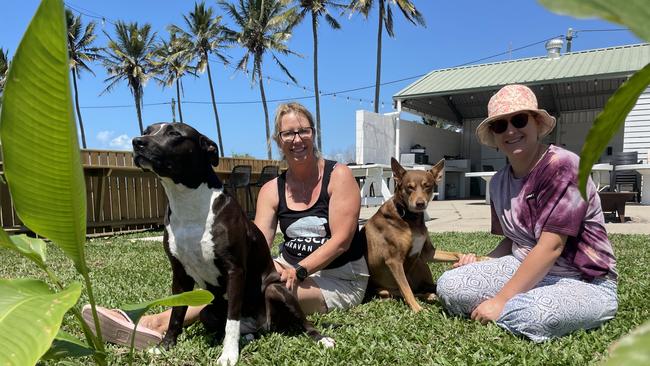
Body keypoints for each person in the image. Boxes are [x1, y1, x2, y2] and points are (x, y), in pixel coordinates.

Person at [83, 102, 369, 348]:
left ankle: (154, 323)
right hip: (286, 268)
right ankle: (152, 322)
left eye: (303, 131)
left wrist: (298, 270)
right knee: (243, 286)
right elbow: (255, 243)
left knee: (271, 298)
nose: (297, 139)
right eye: (288, 133)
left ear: (313, 133)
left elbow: (341, 241)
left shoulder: (338, 175)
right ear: (278, 140)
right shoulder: (272, 189)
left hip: (338, 277)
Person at [435, 84, 618, 342]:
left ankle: (520, 303)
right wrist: (483, 261)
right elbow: (513, 240)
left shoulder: (564, 167)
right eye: (500, 125)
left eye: (519, 120)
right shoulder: (498, 182)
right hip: (521, 267)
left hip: (583, 281)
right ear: (494, 136)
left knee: (531, 313)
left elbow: (552, 246)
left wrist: (501, 300)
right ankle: (519, 297)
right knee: (449, 284)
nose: (510, 130)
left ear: (536, 123)